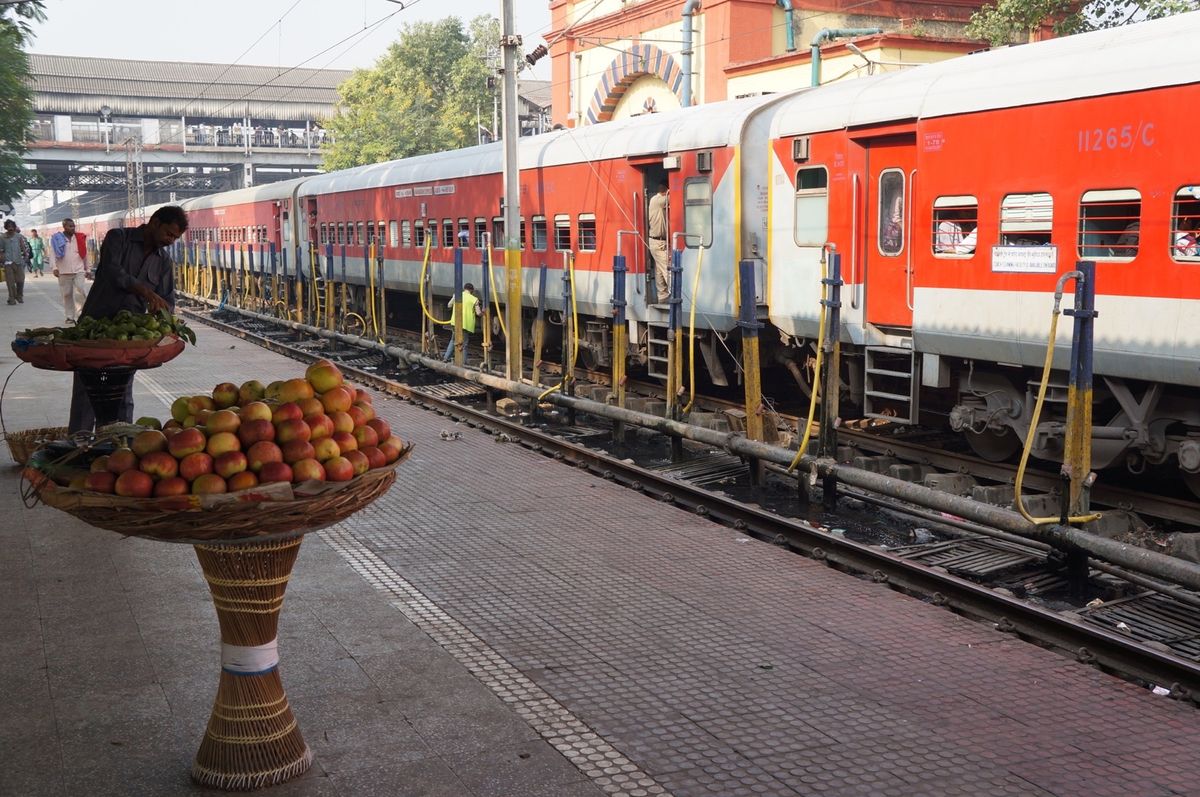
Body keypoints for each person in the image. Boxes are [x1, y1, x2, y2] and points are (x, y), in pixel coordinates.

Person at [67, 205, 187, 433]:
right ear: (155, 223)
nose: (171, 240)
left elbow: (167, 299)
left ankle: (117, 446)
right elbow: (113, 272)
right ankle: (78, 446)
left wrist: (165, 320)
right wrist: (146, 292)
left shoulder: (163, 261)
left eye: (175, 237)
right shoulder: (118, 238)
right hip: (94, 330)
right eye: (169, 234)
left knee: (122, 391)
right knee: (87, 390)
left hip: (129, 337)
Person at [49, 218, 90, 323]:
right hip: (63, 271)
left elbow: (84, 254)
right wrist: (54, 268)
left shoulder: (79, 238)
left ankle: (81, 314)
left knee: (81, 291)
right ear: (64, 226)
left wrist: (88, 268)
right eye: (70, 226)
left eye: (73, 226)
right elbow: (53, 254)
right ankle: (70, 317)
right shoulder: (56, 239)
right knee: (66, 294)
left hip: (79, 270)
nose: (72, 228)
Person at [442, 282, 480, 362]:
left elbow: (449, 305)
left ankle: (446, 358)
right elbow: (479, 313)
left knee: (453, 340)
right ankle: (463, 363)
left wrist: (453, 298)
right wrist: (483, 313)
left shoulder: (457, 295)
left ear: (464, 288)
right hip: (466, 325)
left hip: (455, 322)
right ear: (472, 290)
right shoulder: (474, 299)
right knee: (464, 344)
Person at [647, 181, 670, 303]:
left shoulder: (655, 201)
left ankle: (662, 297)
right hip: (658, 242)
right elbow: (673, 197)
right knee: (667, 269)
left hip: (657, 242)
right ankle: (676, 295)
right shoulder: (657, 200)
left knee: (659, 271)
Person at [1, 219, 28, 304]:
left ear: (14, 227)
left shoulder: (18, 236)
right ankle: (11, 298)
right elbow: (1, 250)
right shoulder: (2, 237)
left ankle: (19, 295)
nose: (10, 228)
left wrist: (26, 255)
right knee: (10, 282)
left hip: (18, 261)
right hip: (8, 262)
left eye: (12, 226)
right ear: (6, 228)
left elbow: (22, 246)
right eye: (9, 227)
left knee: (20, 280)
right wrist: (2, 259)